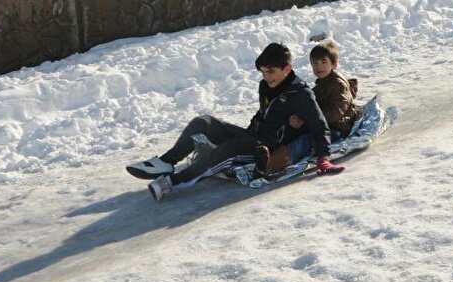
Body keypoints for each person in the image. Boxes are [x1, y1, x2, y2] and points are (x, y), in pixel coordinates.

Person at [126, 43, 345, 201]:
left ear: (287, 69)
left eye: (271, 72)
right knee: (204, 122)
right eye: (263, 72)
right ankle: (165, 161)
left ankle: (171, 182)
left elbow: (319, 125)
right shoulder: (265, 86)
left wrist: (323, 158)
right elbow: (263, 114)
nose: (266, 77)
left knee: (228, 150)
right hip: (252, 135)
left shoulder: (301, 94)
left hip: (265, 148)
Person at [309, 41, 360, 141]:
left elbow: (336, 111)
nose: (319, 67)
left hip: (338, 128)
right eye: (315, 63)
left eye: (323, 62)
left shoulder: (338, 85)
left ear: (334, 65)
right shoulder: (321, 83)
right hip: (325, 124)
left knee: (306, 141)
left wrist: (313, 119)